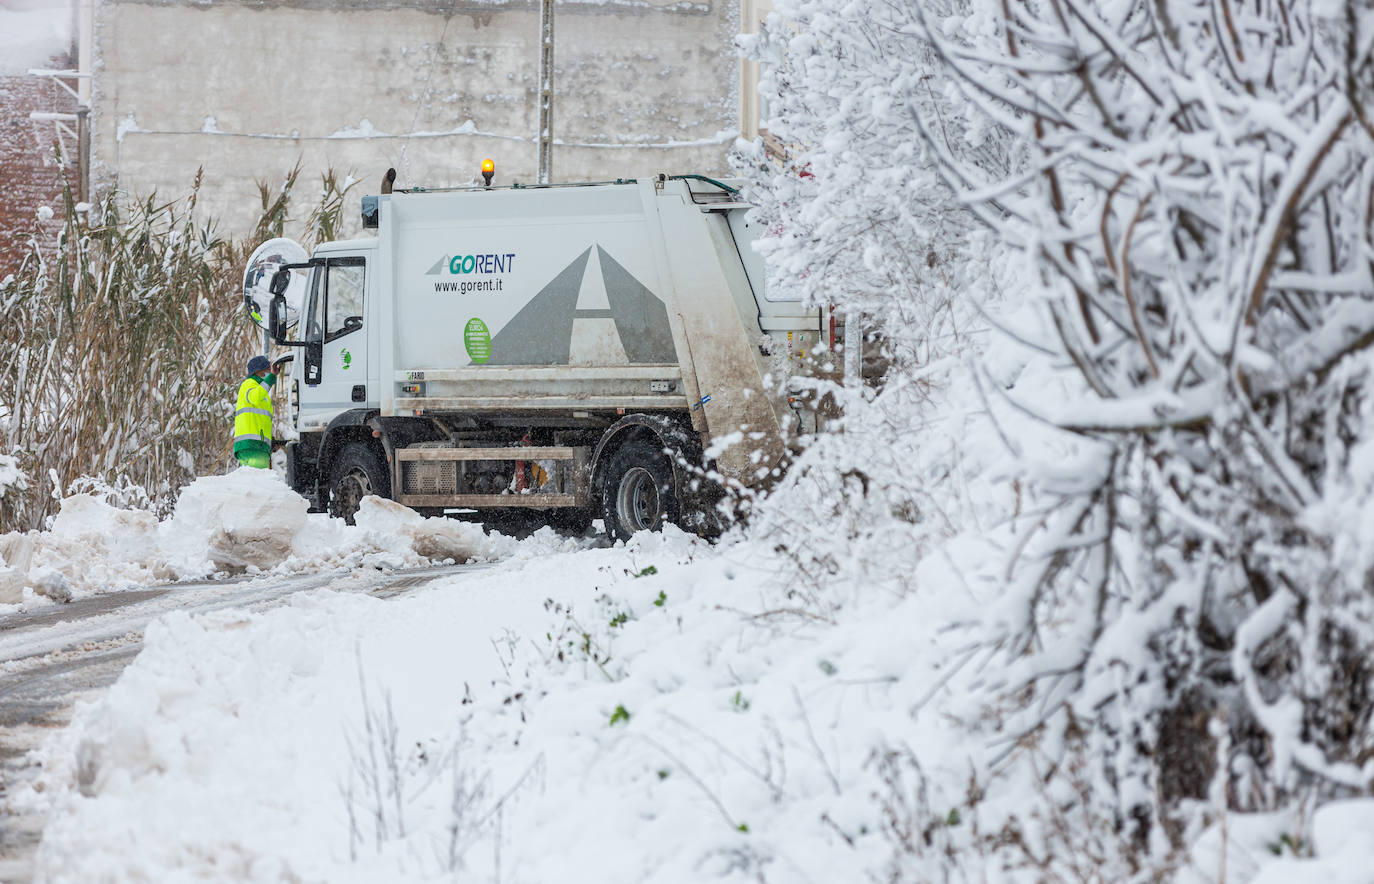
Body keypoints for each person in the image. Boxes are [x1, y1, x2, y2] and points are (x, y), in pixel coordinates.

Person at [233, 355, 277, 469]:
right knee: (259, 482)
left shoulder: (259, 388)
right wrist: (271, 378)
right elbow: (254, 397)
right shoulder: (249, 384)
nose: (269, 372)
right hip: (252, 445)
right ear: (258, 371)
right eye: (268, 370)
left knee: (254, 482)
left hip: (255, 445)